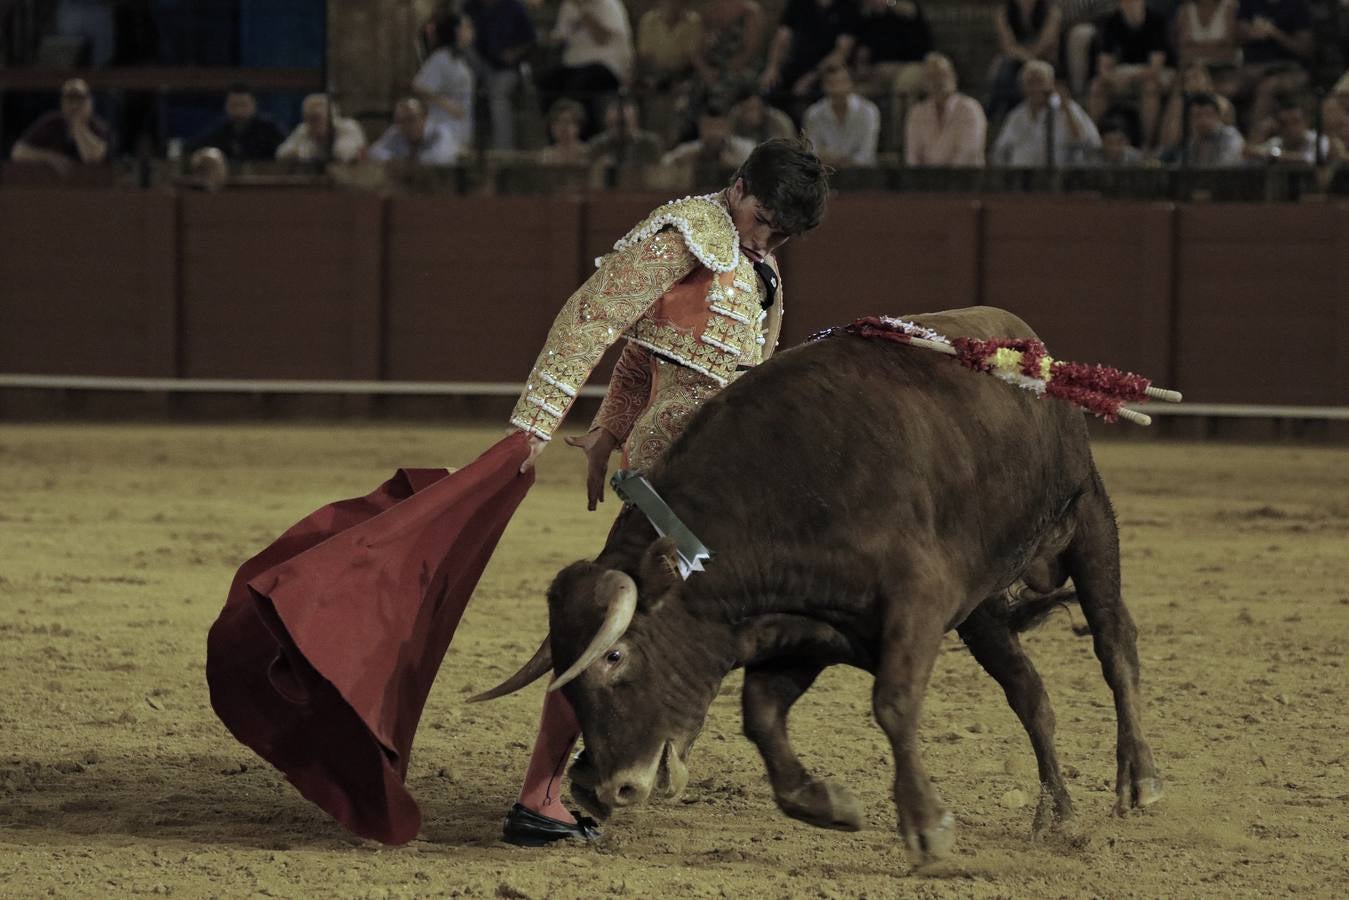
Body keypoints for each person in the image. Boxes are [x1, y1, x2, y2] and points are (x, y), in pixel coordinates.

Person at [502, 138, 830, 845]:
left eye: (781, 231)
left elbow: (650, 353)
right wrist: (533, 426)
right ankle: (540, 796)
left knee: (662, 633)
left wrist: (605, 430)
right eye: (763, 217)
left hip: (728, 485)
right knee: (609, 626)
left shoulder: (756, 258)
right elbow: (593, 317)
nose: (767, 236)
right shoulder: (688, 233)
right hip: (671, 484)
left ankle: (606, 763)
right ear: (738, 187)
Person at [1087, 0, 1174, 150]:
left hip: (1156, 71)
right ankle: (1096, 142)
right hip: (1124, 71)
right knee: (1097, 86)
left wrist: (1129, 78)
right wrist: (1111, 79)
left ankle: (1147, 144)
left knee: (1150, 88)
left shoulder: (1155, 20)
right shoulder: (1112, 21)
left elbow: (1155, 67)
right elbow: (1104, 65)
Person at [538, 0, 634, 135]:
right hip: (573, 64)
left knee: (579, 86)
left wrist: (583, 12)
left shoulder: (609, 5)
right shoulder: (568, 5)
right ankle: (554, 138)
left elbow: (602, 38)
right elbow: (561, 35)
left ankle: (584, 138)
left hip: (605, 65)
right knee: (547, 82)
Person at [991, 60, 1100, 167]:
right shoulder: (1017, 115)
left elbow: (1089, 141)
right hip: (1021, 177)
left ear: (1051, 84)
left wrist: (1067, 111)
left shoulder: (1067, 107)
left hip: (1058, 176)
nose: (1035, 88)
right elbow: (1000, 151)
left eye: (1039, 82)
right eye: (1030, 83)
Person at [758, 0, 861, 112]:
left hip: (826, 70)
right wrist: (772, 67)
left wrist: (810, 78)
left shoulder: (849, 6)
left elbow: (840, 52)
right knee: (770, 88)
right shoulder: (798, 3)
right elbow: (782, 37)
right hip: (797, 62)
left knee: (814, 93)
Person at [464, 0, 536, 152]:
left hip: (506, 68)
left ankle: (503, 150)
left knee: (498, 96)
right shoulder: (470, 6)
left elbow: (530, 40)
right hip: (477, 64)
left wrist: (514, 53)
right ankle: (462, 145)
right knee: (460, 86)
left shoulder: (514, 7)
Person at [1234, 0, 1312, 130]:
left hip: (1290, 69)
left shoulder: (1298, 6)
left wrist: (1275, 33)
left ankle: (1254, 140)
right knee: (1229, 87)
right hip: (1253, 67)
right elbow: (1236, 34)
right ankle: (1227, 139)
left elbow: (1305, 48)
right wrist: (1252, 33)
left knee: (1267, 87)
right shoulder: (1248, 3)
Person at [10, 78, 111, 176]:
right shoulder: (52, 122)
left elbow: (92, 158)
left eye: (80, 99)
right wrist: (52, 158)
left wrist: (77, 126)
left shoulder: (98, 127)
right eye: (70, 99)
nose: (74, 105)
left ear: (89, 103)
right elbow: (17, 153)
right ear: (62, 102)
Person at [904, 52, 987, 167]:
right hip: (925, 182)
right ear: (924, 82)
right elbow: (913, 157)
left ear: (953, 76)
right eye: (931, 76)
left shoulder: (970, 109)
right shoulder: (917, 112)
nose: (937, 81)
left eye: (941, 74)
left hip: (965, 181)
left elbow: (965, 156)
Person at [988, 0, 1062, 123]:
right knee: (1006, 67)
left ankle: (1001, 109)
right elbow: (1007, 44)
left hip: (1043, 58)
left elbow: (1047, 41)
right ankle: (1004, 110)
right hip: (1017, 57)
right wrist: (1025, 58)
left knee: (1014, 68)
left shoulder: (1051, 11)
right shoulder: (1003, 12)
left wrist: (1031, 58)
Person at [413, 13, 477, 154]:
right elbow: (419, 86)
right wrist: (447, 104)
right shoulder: (441, 57)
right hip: (444, 128)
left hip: (459, 129)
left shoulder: (459, 59)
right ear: (456, 30)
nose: (471, 30)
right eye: (466, 27)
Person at [853, 0, 933, 101]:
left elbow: (907, 9)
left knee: (904, 87)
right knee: (854, 92)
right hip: (879, 74)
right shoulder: (868, 20)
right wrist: (862, 66)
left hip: (912, 66)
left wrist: (889, 3)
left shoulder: (906, 11)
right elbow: (863, 51)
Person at [802, 65, 880, 167]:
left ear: (851, 83)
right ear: (824, 86)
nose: (837, 87)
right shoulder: (813, 113)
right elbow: (812, 153)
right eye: (832, 83)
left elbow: (867, 155)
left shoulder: (868, 111)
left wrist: (838, 160)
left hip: (860, 174)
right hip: (825, 173)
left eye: (842, 81)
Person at [185, 83, 285, 162]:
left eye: (243, 105)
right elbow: (192, 147)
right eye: (234, 105)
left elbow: (284, 152)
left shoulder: (269, 129)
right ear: (226, 107)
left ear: (254, 106)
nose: (238, 111)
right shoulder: (220, 130)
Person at [660, 102, 756, 169]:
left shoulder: (746, 148)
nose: (713, 132)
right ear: (700, 127)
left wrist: (733, 165)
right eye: (708, 126)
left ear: (728, 127)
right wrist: (679, 162)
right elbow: (664, 163)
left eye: (718, 126)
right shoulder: (689, 150)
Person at [369, 97, 462, 166]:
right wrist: (390, 159)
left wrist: (401, 162)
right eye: (400, 120)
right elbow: (375, 152)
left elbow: (439, 160)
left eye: (411, 119)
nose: (406, 125)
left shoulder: (440, 133)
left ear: (425, 118)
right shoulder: (396, 131)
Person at [275, 94, 367, 163]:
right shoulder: (303, 130)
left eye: (317, 118)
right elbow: (281, 154)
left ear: (330, 118)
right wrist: (301, 151)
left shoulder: (348, 127)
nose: (313, 123)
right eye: (308, 118)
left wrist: (307, 152)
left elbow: (342, 154)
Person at [1245, 95, 1328, 164]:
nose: (1290, 127)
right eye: (1284, 123)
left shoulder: (1318, 139)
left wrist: (1274, 155)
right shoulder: (1277, 142)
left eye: (1295, 121)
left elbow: (1310, 160)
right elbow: (1249, 153)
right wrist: (1262, 131)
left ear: (1306, 121)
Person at [586, 94, 664, 167]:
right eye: (617, 124)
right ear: (606, 120)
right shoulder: (596, 145)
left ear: (635, 120)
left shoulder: (650, 144)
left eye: (623, 124)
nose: (620, 130)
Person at [1175, 90, 1245, 166]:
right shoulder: (1192, 141)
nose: (1203, 121)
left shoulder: (1230, 136)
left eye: (1209, 115)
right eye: (1198, 116)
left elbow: (1225, 167)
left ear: (1218, 117)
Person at [537, 98, 591, 165]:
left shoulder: (587, 153)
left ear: (578, 126)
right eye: (557, 123)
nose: (563, 127)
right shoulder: (546, 155)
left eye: (567, 122)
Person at [730, 92, 798, 144]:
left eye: (754, 109)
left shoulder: (779, 122)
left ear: (762, 108)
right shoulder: (735, 120)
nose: (750, 115)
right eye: (746, 110)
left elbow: (790, 147)